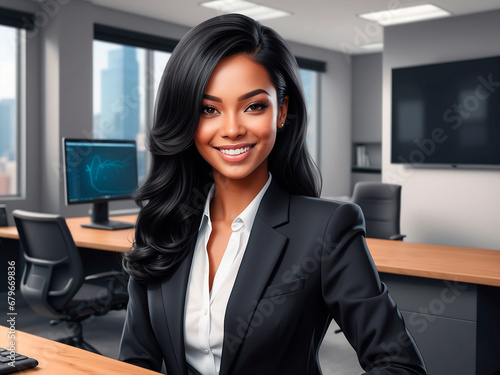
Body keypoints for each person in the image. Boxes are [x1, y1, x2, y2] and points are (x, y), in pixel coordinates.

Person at [118, 13, 427, 375]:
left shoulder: (326, 229)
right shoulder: (161, 225)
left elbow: (399, 365)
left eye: (253, 106)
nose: (232, 129)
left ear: (281, 111)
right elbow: (135, 363)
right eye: (209, 109)